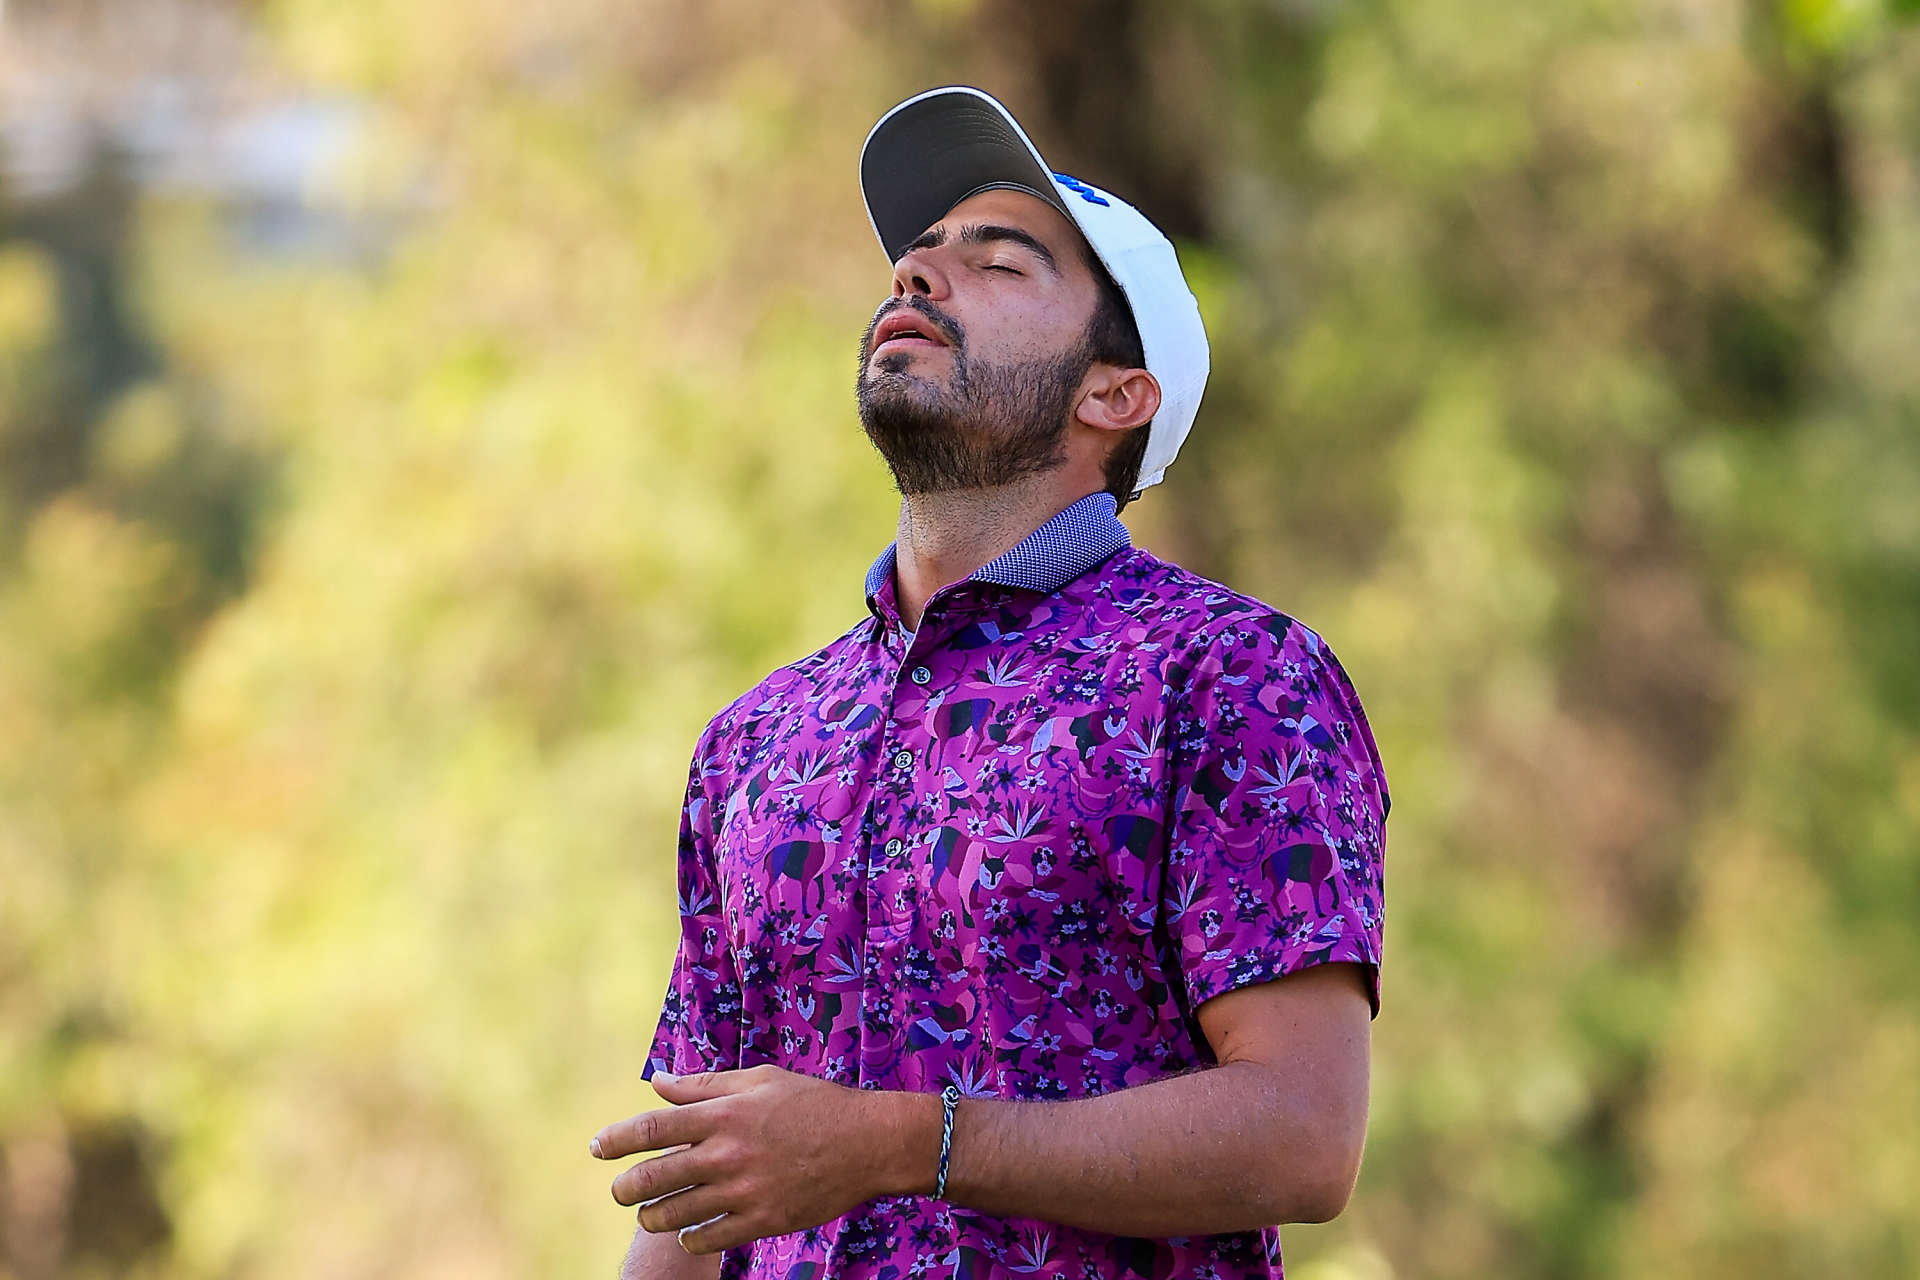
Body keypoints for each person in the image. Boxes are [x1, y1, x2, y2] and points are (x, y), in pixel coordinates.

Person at [590, 86, 1388, 1280]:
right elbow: (700, 1191)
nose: (918, 278)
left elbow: (1302, 1134)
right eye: (914, 263)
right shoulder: (755, 738)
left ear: (1114, 394)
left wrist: (898, 1141)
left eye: (996, 262)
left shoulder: (1233, 677)